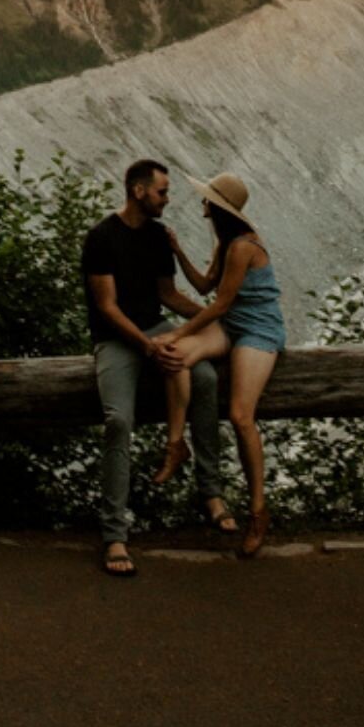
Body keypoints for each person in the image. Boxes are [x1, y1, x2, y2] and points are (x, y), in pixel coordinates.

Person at [82, 158, 235, 578]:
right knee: (117, 420)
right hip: (117, 340)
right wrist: (149, 346)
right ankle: (114, 533)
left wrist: (211, 317)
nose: (167, 199)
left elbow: (168, 294)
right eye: (162, 192)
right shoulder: (101, 238)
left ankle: (211, 494)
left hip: (155, 329)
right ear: (139, 191)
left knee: (204, 379)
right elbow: (107, 308)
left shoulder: (155, 237)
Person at [152, 171, 288, 558]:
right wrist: (178, 251)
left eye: (207, 199)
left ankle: (258, 511)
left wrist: (179, 332)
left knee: (242, 415)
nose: (202, 205)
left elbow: (221, 303)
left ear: (219, 206)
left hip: (257, 329)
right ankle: (176, 446)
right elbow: (202, 287)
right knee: (174, 358)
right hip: (231, 325)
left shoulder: (244, 246)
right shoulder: (226, 242)